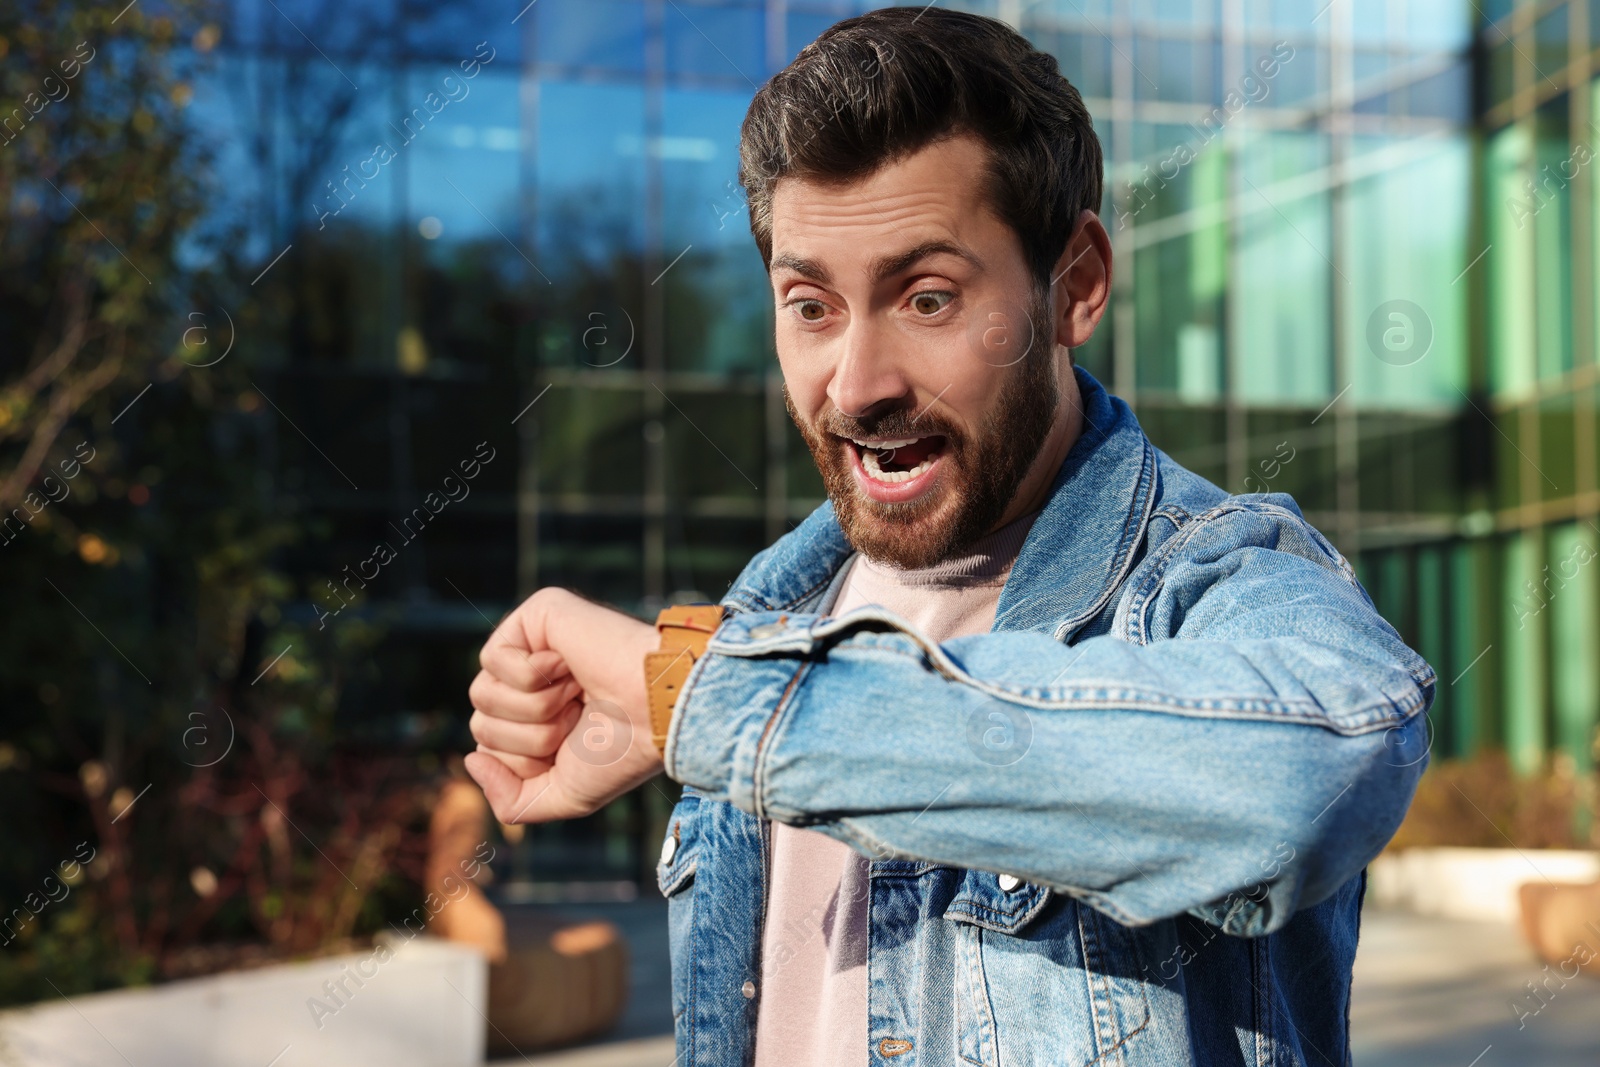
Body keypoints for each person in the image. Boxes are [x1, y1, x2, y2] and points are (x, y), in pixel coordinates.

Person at [463, 8, 1434, 1065]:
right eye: (810, 305)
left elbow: (1313, 774)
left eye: (927, 297)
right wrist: (675, 709)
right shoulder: (767, 613)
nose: (858, 382)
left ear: (1075, 286)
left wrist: (700, 697)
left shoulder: (1207, 578)